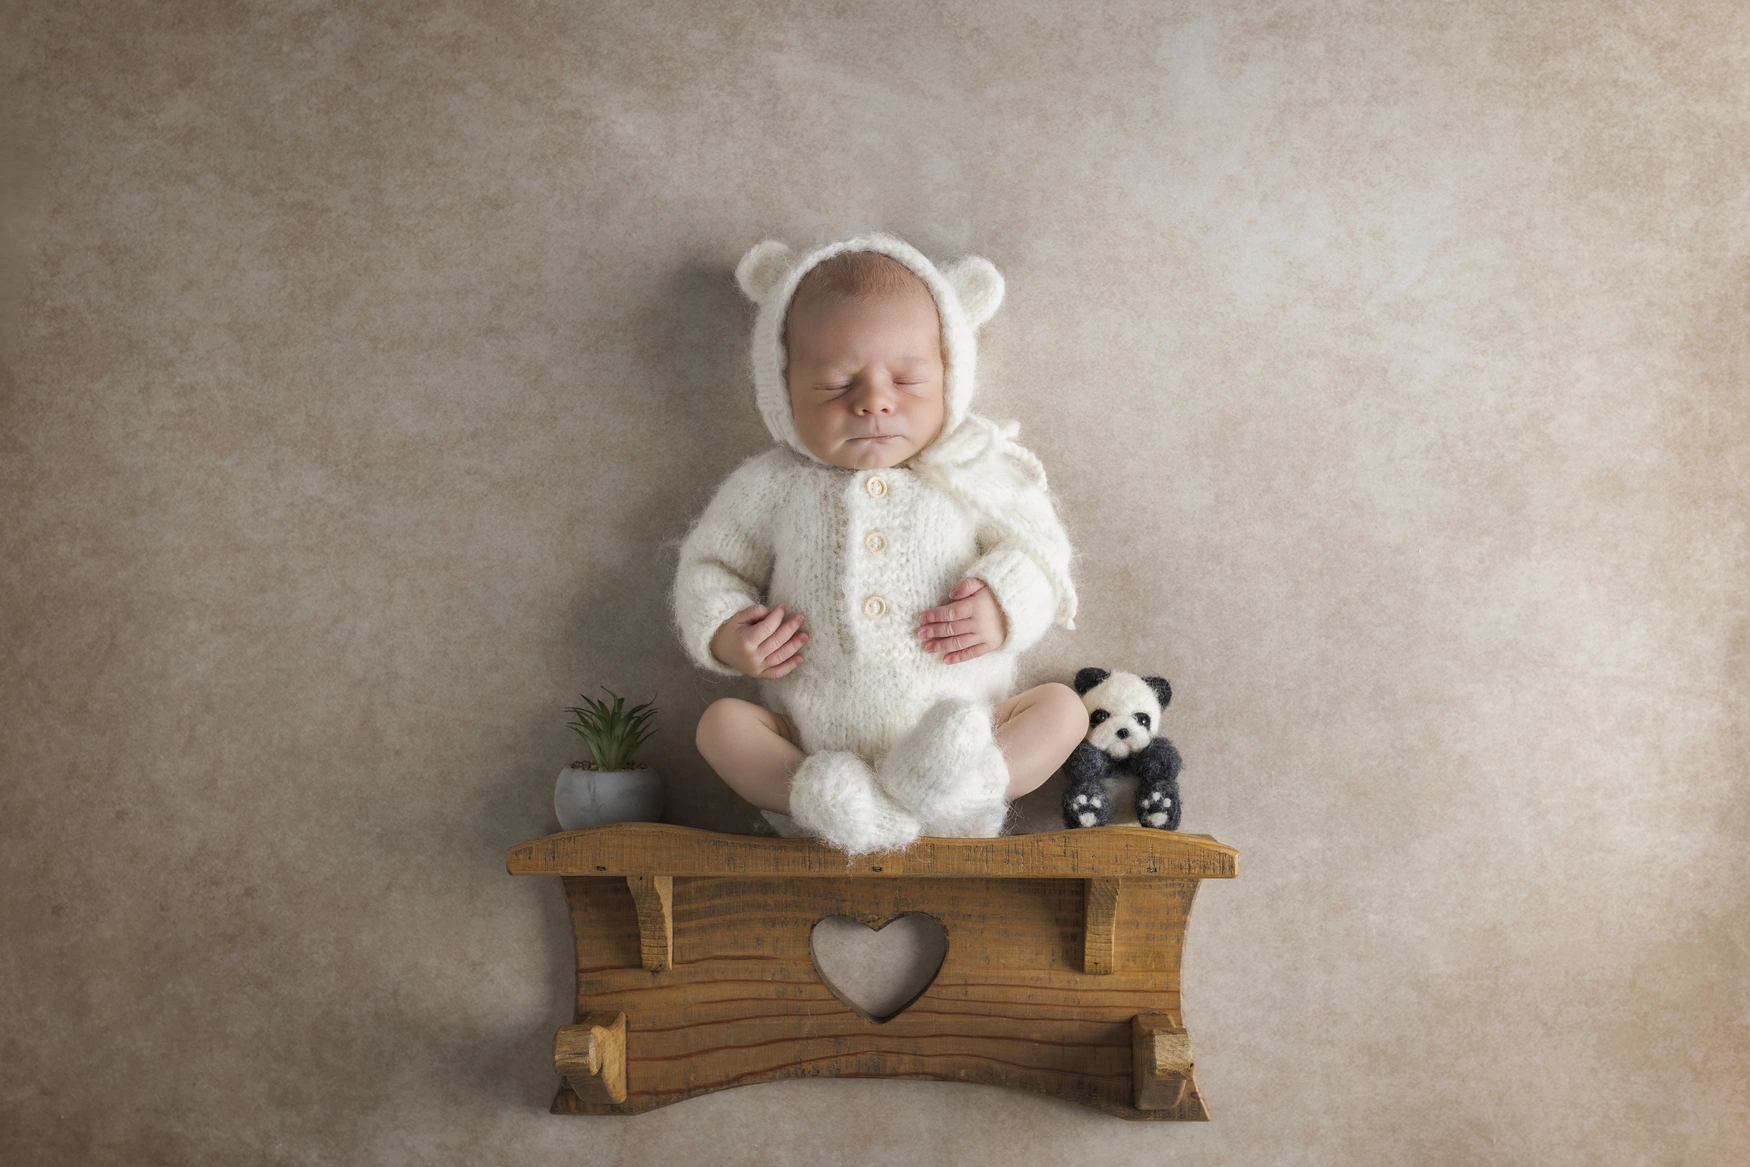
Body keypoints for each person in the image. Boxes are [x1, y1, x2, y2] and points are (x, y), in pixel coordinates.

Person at [671, 233, 1085, 854]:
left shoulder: (972, 472)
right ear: (782, 388)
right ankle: (825, 797)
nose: (873, 403)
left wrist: (1001, 605)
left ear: (951, 377)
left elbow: (1039, 553)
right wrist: (731, 632)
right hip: (811, 743)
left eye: (908, 380)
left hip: (964, 730)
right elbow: (710, 567)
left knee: (1063, 711)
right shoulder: (773, 486)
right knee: (721, 727)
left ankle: (964, 785)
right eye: (837, 385)